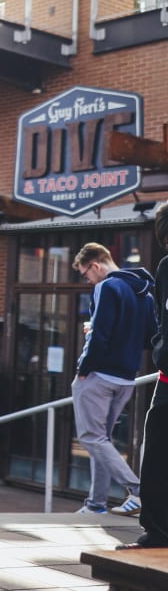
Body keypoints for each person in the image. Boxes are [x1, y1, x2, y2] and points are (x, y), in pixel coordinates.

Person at [72, 242, 155, 516]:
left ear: (95, 265)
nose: (88, 280)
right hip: (126, 379)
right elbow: (149, 338)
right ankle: (96, 504)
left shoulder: (106, 286)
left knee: (91, 437)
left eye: (86, 274)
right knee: (102, 439)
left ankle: (138, 490)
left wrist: (84, 368)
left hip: (99, 376)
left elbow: (100, 335)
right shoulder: (145, 293)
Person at [124, 204, 168, 548]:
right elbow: (160, 321)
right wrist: (160, 349)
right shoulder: (166, 269)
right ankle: (157, 531)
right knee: (156, 453)